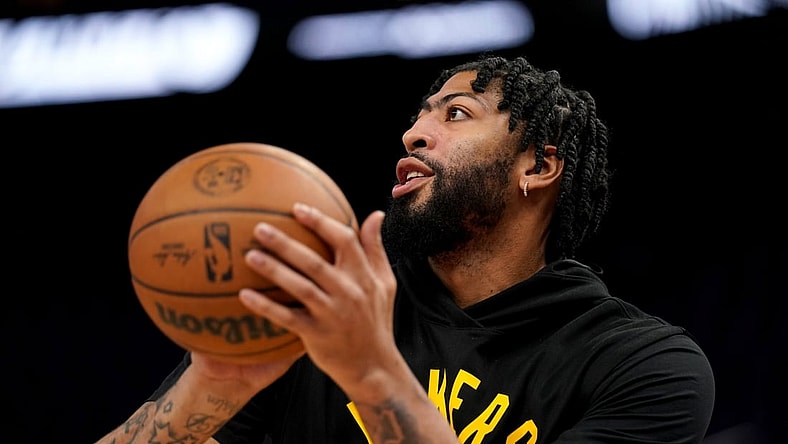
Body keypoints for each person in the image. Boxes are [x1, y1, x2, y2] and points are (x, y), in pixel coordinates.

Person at [97, 53, 715, 444]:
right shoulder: (326, 308)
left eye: (456, 114)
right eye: (421, 114)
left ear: (541, 165)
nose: (413, 132)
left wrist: (370, 372)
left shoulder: (643, 367)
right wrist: (216, 381)